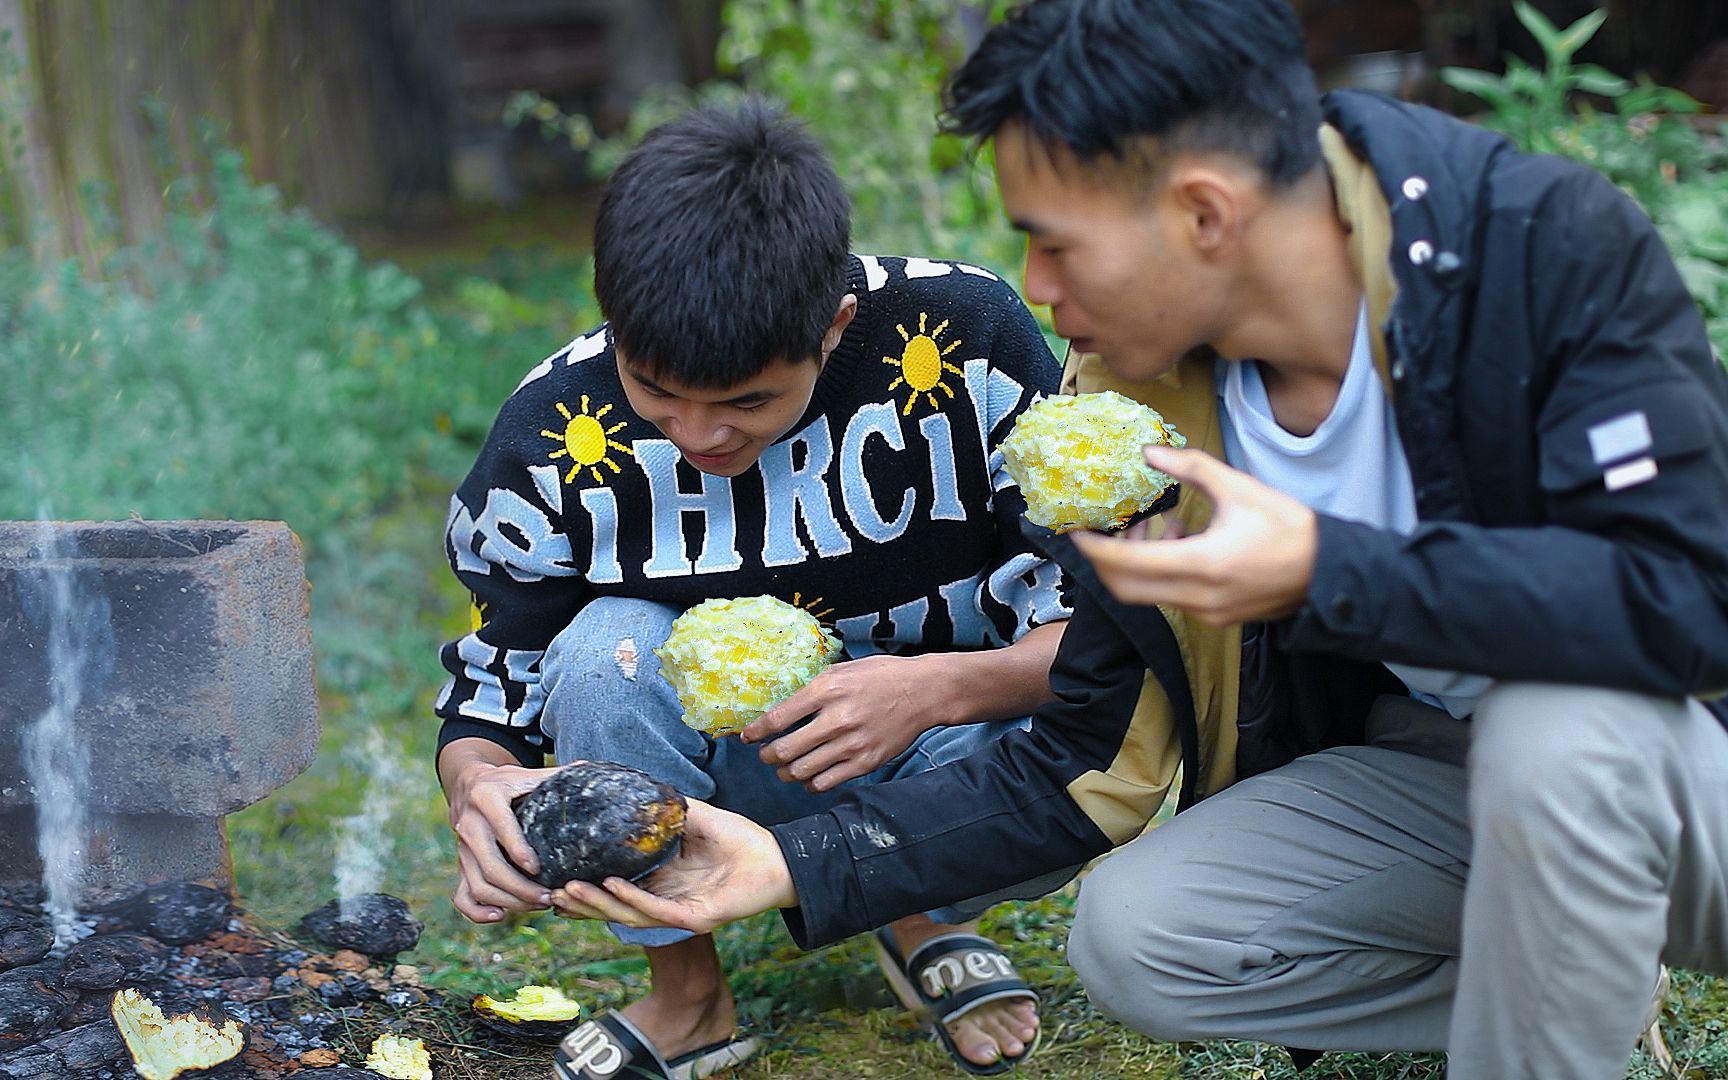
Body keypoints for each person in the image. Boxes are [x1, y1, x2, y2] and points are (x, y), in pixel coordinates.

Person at [550, 2, 1728, 1077]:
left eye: (1055, 242)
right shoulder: (1137, 397)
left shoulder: (1538, 247)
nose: (1032, 283)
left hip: (1675, 781)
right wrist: (791, 864)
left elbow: (1689, 597)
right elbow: (1087, 751)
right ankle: (1574, 980)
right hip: (1436, 771)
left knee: (1553, 731)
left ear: (1203, 213)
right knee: (1144, 939)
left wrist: (1331, 570)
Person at [433, 99, 1074, 1079]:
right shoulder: (555, 434)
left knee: (1082, 747)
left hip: (946, 749)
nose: (698, 435)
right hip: (716, 775)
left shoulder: (967, 343)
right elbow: (492, 692)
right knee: (602, 649)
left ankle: (910, 908)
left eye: (747, 402)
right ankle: (690, 1000)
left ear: (836, 326)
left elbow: (1098, 637)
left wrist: (937, 688)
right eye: (656, 391)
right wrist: (482, 789)